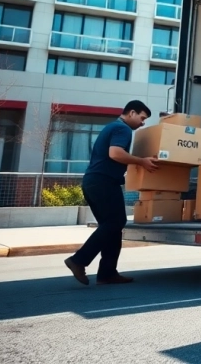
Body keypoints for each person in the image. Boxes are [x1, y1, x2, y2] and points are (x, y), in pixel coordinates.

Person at [64, 101, 158, 285]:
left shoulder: (112, 127)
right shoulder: (122, 129)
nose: (143, 123)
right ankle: (78, 260)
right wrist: (142, 162)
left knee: (112, 227)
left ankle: (107, 273)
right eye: (142, 118)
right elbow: (115, 153)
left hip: (95, 182)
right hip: (102, 183)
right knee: (115, 222)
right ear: (131, 112)